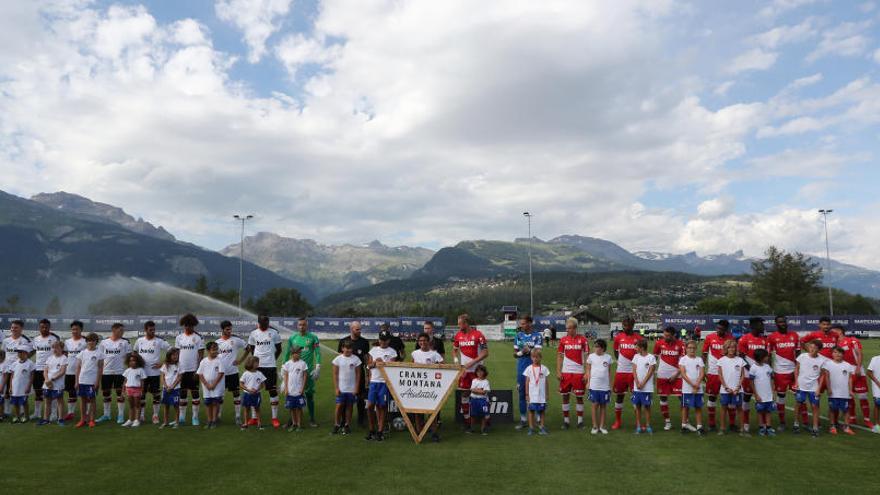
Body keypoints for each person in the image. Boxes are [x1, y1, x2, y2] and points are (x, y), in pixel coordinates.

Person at [451, 314, 488, 431]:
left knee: (481, 395)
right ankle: (467, 421)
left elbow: (485, 352)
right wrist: (456, 361)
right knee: (465, 395)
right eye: (458, 323)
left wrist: (472, 363)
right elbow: (454, 351)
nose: (459, 326)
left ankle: (485, 421)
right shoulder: (458, 335)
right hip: (465, 372)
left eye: (460, 323)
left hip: (477, 371)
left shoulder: (478, 335)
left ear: (466, 323)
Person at [832, 324, 873, 428]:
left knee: (862, 396)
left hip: (857, 370)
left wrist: (858, 367)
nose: (833, 333)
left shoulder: (852, 340)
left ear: (839, 331)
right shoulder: (836, 344)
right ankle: (852, 418)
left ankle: (867, 420)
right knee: (849, 396)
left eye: (834, 331)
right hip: (845, 372)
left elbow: (859, 354)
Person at [284, 317, 322, 427]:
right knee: (291, 395)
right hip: (294, 373)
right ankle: (292, 420)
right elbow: (287, 353)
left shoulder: (313, 338)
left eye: (304, 325)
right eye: (300, 325)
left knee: (309, 395)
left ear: (307, 325)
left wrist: (318, 367)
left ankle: (312, 419)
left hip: (308, 372)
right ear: (297, 326)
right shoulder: (292, 338)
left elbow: (318, 353)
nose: (302, 327)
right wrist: (283, 367)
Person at [248, 315, 282, 428]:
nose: (265, 325)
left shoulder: (274, 332)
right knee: (254, 391)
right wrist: (256, 362)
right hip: (257, 367)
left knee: (272, 391)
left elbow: (279, 349)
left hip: (270, 366)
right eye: (262, 323)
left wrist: (272, 359)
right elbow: (252, 349)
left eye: (266, 323)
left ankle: (274, 418)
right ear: (259, 323)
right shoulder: (253, 333)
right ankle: (253, 418)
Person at [767, 315, 799, 431]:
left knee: (799, 397)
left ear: (787, 322)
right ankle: (782, 422)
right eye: (780, 322)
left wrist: (799, 369)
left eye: (784, 321)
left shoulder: (794, 335)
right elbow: (769, 355)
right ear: (776, 324)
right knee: (781, 397)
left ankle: (802, 422)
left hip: (794, 371)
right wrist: (770, 370)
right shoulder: (772, 337)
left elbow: (799, 354)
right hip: (780, 372)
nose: (782, 323)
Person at [365, 330, 398, 441]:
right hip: (374, 381)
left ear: (388, 340)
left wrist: (382, 362)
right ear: (379, 339)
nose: (383, 342)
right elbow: (368, 366)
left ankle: (380, 431)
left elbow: (392, 367)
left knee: (382, 406)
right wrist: (374, 363)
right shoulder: (373, 350)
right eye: (381, 340)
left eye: (385, 340)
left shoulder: (392, 352)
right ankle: (371, 430)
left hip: (384, 382)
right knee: (370, 406)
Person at [134, 320, 169, 424]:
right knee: (142, 395)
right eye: (150, 330)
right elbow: (134, 353)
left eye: (154, 329)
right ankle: (142, 415)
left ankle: (155, 415)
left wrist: (163, 363)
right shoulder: (139, 341)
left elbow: (172, 350)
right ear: (145, 330)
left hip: (154, 373)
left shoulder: (159, 341)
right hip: (142, 374)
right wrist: (137, 363)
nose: (153, 331)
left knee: (156, 395)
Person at [702, 319, 735, 431]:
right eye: (718, 328)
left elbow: (735, 355)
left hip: (728, 373)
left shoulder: (730, 338)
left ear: (726, 329)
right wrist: (702, 370)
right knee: (712, 397)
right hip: (713, 372)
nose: (719, 330)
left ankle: (731, 424)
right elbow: (704, 354)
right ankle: (711, 423)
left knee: (730, 399)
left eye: (721, 329)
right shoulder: (709, 337)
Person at [611, 317, 644, 430]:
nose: (625, 328)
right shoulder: (618, 337)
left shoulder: (639, 338)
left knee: (636, 397)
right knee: (619, 396)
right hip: (621, 371)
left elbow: (642, 354)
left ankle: (638, 422)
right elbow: (615, 350)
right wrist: (621, 361)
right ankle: (617, 421)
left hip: (634, 372)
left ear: (632, 326)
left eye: (628, 326)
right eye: (624, 325)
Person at [556, 317, 588, 429]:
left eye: (569, 328)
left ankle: (580, 422)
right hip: (566, 373)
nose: (567, 330)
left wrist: (587, 373)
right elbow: (559, 356)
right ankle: (566, 421)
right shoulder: (563, 340)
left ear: (575, 328)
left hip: (579, 373)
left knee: (579, 397)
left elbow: (586, 357)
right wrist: (558, 371)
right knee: (565, 397)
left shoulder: (583, 340)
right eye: (566, 328)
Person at [411, 332, 444, 440]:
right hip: (418, 387)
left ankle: (434, 433)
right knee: (417, 411)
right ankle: (419, 432)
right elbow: (410, 367)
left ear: (428, 341)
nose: (422, 343)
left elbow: (444, 366)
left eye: (424, 340)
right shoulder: (414, 353)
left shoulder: (434, 354)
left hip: (431, 387)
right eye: (420, 341)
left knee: (432, 411)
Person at [738, 317, 768, 432]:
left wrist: (768, 370)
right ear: (753, 326)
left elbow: (767, 358)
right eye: (761, 324)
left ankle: (763, 424)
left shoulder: (764, 340)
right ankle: (745, 423)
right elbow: (741, 357)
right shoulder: (744, 339)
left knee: (763, 398)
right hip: (747, 375)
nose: (763, 327)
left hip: (762, 376)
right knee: (746, 398)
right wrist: (751, 370)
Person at [174, 313, 205, 426]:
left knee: (195, 394)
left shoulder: (198, 338)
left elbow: (201, 355)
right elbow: (176, 354)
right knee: (182, 394)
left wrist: (198, 370)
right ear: (183, 325)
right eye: (186, 325)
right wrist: (176, 369)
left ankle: (195, 417)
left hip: (193, 370)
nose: (188, 327)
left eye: (191, 325)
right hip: (181, 371)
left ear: (194, 325)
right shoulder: (179, 337)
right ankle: (182, 417)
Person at [338, 320, 370, 427]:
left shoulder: (364, 342)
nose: (359, 331)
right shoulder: (343, 341)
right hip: (345, 377)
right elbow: (339, 360)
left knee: (361, 398)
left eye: (360, 329)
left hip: (358, 376)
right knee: (344, 400)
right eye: (357, 329)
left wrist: (367, 375)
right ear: (351, 329)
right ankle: (344, 421)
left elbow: (366, 360)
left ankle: (361, 420)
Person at [97, 322, 131, 424]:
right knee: (106, 394)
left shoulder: (126, 342)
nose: (122, 332)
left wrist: (129, 372)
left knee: (120, 394)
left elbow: (129, 358)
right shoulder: (104, 342)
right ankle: (106, 414)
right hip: (106, 372)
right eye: (120, 330)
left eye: (123, 330)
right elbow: (100, 358)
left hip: (120, 372)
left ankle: (120, 415)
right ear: (114, 330)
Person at [215, 320, 247, 425]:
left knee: (236, 394)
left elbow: (248, 348)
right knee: (220, 395)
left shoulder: (236, 340)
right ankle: (218, 416)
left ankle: (238, 417)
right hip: (221, 373)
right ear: (222, 330)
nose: (229, 331)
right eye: (227, 329)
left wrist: (240, 360)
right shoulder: (217, 342)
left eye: (230, 329)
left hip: (233, 372)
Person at [653, 325, 685, 431]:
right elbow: (654, 359)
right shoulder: (659, 343)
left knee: (682, 398)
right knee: (663, 398)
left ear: (673, 335)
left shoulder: (681, 344)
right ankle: (667, 422)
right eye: (664, 335)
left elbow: (684, 362)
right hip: (662, 375)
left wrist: (676, 375)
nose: (665, 337)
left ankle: (685, 421)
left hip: (677, 375)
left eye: (667, 335)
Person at [514, 315, 543, 428]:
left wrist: (529, 350)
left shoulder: (537, 336)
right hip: (521, 369)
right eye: (521, 324)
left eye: (523, 323)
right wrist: (522, 352)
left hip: (535, 369)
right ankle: (523, 420)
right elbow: (515, 354)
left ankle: (539, 419)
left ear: (530, 323)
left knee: (537, 394)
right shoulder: (519, 336)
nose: (521, 326)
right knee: (522, 394)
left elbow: (538, 353)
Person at [821, 346, 855, 436]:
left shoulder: (848, 365)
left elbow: (850, 379)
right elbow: (826, 377)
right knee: (832, 409)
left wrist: (850, 390)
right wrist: (828, 388)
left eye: (839, 353)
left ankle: (846, 427)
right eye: (835, 352)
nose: (837, 354)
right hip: (833, 392)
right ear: (832, 354)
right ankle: (832, 426)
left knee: (846, 410)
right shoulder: (828, 364)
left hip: (845, 392)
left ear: (843, 354)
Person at [794, 339, 825, 437]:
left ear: (819, 350)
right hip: (801, 386)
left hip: (813, 387)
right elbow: (796, 369)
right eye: (810, 347)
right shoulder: (802, 356)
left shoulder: (822, 360)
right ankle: (796, 424)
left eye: (815, 348)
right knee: (798, 404)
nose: (812, 349)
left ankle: (815, 428)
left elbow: (823, 375)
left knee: (815, 407)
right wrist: (796, 382)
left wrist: (819, 388)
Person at [31, 319, 60, 420]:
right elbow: (33, 352)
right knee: (38, 392)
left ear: (49, 327)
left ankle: (53, 414)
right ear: (39, 328)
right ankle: (37, 413)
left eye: (46, 327)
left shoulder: (54, 338)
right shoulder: (35, 339)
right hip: (38, 368)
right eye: (42, 327)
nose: (44, 329)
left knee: (51, 392)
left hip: (51, 370)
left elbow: (59, 352)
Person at [331, 339, 362, 435]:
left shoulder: (356, 359)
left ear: (352, 349)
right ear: (342, 348)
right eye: (346, 348)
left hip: (351, 389)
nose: (348, 350)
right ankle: (336, 424)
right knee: (339, 406)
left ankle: (347, 425)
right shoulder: (337, 360)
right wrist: (336, 388)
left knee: (349, 407)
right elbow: (335, 375)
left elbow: (358, 375)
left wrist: (356, 388)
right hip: (341, 388)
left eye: (350, 348)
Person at [2, 320, 31, 418]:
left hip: (19, 369)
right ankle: (7, 411)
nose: (13, 329)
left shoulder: (24, 340)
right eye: (12, 327)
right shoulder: (6, 340)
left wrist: (24, 363)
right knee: (6, 391)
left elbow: (30, 352)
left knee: (19, 390)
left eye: (16, 327)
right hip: (7, 369)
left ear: (21, 329)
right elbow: (3, 354)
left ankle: (22, 411)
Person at [717, 340, 746, 435]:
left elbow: (742, 375)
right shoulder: (721, 360)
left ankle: (742, 429)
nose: (731, 349)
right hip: (725, 390)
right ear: (725, 349)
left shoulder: (740, 360)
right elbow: (720, 375)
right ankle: (722, 428)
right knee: (723, 408)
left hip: (737, 390)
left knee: (739, 408)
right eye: (729, 347)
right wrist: (726, 387)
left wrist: (738, 387)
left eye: (733, 347)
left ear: (736, 348)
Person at [75, 333, 103, 428]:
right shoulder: (82, 353)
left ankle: (92, 420)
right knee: (82, 400)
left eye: (93, 340)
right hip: (82, 380)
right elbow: (78, 368)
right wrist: (76, 381)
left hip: (92, 381)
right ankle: (83, 419)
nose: (91, 342)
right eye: (89, 340)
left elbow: (100, 369)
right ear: (86, 342)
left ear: (96, 342)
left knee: (92, 400)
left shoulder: (99, 353)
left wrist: (97, 381)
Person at [678, 340, 706, 435]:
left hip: (698, 388)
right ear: (686, 349)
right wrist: (692, 384)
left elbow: (702, 373)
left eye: (693, 348)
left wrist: (697, 384)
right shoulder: (683, 359)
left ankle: (699, 426)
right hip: (687, 388)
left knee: (698, 407)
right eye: (690, 348)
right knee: (685, 407)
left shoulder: (699, 359)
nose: (692, 350)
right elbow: (683, 373)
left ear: (696, 349)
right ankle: (684, 425)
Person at [585, 339, 612, 434]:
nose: (596, 349)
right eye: (595, 347)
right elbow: (588, 370)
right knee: (594, 405)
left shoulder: (608, 357)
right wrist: (588, 382)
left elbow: (609, 372)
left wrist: (610, 385)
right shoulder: (591, 357)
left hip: (605, 386)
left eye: (598, 347)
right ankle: (595, 426)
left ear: (603, 348)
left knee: (603, 406)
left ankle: (602, 426)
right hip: (594, 385)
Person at [197, 341, 224, 429]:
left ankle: (214, 420)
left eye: (216, 349)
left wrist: (214, 384)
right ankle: (209, 420)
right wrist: (206, 384)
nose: (216, 351)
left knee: (215, 403)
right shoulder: (203, 361)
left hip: (217, 386)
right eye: (213, 349)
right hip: (206, 387)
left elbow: (221, 373)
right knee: (208, 404)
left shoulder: (219, 360)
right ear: (208, 350)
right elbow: (200, 374)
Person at [63, 320, 87, 421]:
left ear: (81, 330)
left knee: (84, 393)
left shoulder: (86, 341)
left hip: (83, 372)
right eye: (73, 329)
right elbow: (64, 355)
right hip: (69, 371)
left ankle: (86, 412)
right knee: (71, 392)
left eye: (76, 329)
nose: (74, 331)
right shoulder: (67, 342)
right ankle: (70, 412)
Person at [631, 340, 656, 434]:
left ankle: (648, 425)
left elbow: (651, 371)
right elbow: (634, 370)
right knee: (637, 406)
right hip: (637, 387)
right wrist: (637, 383)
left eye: (636, 347)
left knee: (647, 406)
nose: (635, 348)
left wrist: (643, 383)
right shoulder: (635, 357)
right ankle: (638, 426)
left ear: (642, 348)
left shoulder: (651, 357)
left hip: (647, 387)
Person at [39, 341, 67, 426]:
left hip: (58, 384)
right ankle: (46, 419)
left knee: (60, 401)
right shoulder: (49, 358)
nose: (55, 349)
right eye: (53, 347)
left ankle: (61, 419)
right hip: (47, 383)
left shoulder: (63, 358)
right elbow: (45, 370)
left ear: (61, 348)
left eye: (57, 347)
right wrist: (47, 380)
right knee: (47, 401)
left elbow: (62, 371)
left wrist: (52, 379)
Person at [748, 349, 775, 436]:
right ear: (761, 357)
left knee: (768, 411)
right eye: (766, 356)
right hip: (760, 395)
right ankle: (761, 428)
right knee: (760, 411)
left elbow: (771, 379)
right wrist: (756, 394)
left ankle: (768, 427)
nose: (768, 357)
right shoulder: (753, 368)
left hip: (768, 394)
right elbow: (751, 382)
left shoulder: (768, 367)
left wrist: (772, 392)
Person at [282, 346, 309, 432]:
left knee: (299, 408)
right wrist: (286, 389)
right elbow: (286, 377)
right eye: (297, 353)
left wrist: (302, 388)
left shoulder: (303, 364)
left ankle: (299, 424)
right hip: (290, 391)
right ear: (292, 354)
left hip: (298, 391)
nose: (299, 354)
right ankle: (294, 423)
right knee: (291, 408)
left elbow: (305, 376)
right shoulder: (287, 364)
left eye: (299, 353)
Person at [524, 348, 550, 436]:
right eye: (533, 357)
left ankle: (542, 427)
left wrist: (547, 393)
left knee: (542, 411)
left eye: (537, 357)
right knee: (531, 411)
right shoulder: (529, 368)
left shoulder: (544, 368)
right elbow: (527, 382)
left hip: (541, 395)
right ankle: (531, 428)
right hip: (532, 395)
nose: (535, 359)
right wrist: (527, 394)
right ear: (531, 358)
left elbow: (546, 382)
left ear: (541, 357)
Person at [239, 356, 267, 430]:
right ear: (251, 363)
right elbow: (241, 384)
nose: (258, 364)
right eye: (256, 362)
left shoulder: (259, 373)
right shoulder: (246, 373)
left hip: (256, 394)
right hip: (247, 394)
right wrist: (248, 390)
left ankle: (259, 423)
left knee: (257, 408)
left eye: (258, 362)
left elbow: (263, 385)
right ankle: (245, 423)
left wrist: (257, 389)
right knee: (246, 409)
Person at [9, 346, 35, 423]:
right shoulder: (14, 363)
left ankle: (26, 417)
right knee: (16, 403)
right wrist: (10, 387)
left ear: (26, 353)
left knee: (24, 402)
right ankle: (17, 417)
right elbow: (12, 376)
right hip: (15, 387)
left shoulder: (30, 363)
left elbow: (32, 376)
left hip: (24, 387)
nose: (19, 354)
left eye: (21, 352)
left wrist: (29, 386)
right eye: (18, 352)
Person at [121, 352, 147, 428]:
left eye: (134, 360)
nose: (132, 362)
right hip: (129, 389)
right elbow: (125, 381)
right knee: (131, 405)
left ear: (138, 361)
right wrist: (123, 391)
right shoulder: (127, 370)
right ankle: (130, 420)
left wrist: (142, 390)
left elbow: (142, 382)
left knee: (137, 405)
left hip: (137, 390)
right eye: (130, 361)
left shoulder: (141, 370)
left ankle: (137, 420)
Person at [159, 348, 181, 428]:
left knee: (176, 406)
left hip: (175, 389)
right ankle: (165, 422)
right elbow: (162, 377)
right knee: (166, 406)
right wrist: (166, 386)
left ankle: (177, 422)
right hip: (166, 389)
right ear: (169, 356)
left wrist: (172, 387)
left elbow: (179, 377)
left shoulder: (179, 365)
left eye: (177, 355)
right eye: (173, 355)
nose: (175, 356)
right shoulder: (165, 365)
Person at [470, 365, 491, 435]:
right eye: (478, 371)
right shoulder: (474, 380)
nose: (479, 373)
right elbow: (472, 390)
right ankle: (471, 429)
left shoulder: (486, 382)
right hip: (474, 400)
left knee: (484, 415)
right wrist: (480, 390)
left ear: (484, 372)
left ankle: (483, 429)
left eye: (481, 371)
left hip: (483, 401)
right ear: (476, 372)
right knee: (473, 415)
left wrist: (476, 390)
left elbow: (484, 392)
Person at [867, 353, 880, 434]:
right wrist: (877, 382)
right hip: (877, 387)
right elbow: (869, 372)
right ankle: (876, 425)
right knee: (878, 404)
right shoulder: (875, 359)